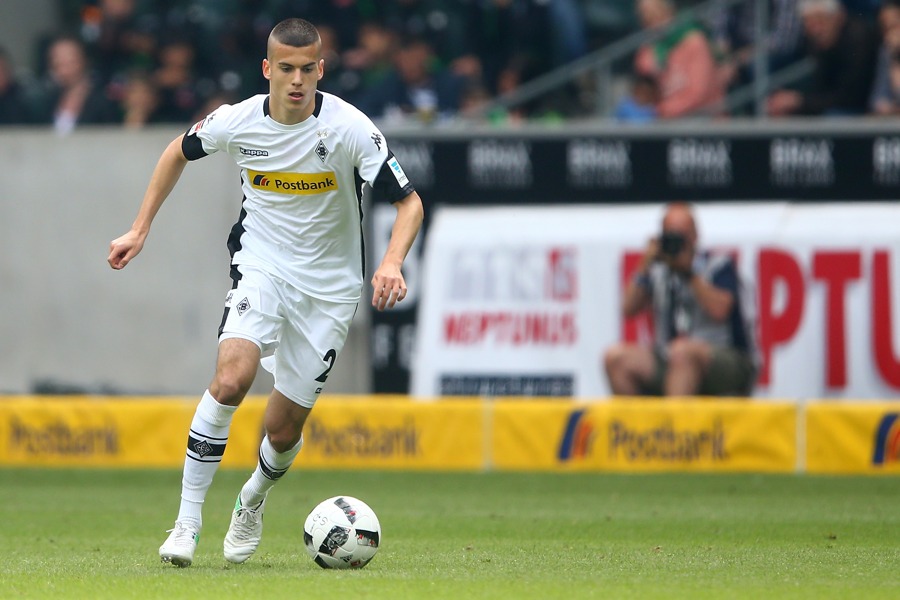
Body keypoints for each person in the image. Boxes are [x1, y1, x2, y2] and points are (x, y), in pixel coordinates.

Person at [107, 17, 424, 568]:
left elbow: (410, 202)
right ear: (267, 69)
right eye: (285, 69)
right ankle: (185, 524)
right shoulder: (237, 122)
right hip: (261, 266)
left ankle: (251, 499)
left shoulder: (350, 129)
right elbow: (177, 151)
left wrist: (392, 261)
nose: (296, 81)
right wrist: (140, 228)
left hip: (329, 290)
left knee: (282, 429)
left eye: (307, 70)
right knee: (231, 378)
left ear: (321, 69)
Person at [603, 203, 758, 398]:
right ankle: (640, 428)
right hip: (670, 356)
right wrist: (645, 263)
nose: (675, 243)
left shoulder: (718, 265)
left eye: (681, 236)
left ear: (694, 236)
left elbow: (720, 309)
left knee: (682, 353)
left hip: (723, 358)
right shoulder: (659, 271)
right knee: (616, 358)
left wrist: (688, 273)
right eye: (670, 236)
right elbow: (628, 308)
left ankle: (673, 428)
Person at [767, 0, 879, 117]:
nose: (816, 29)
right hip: (830, 106)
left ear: (838, 17)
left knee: (833, 117)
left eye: (821, 21)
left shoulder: (859, 41)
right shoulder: (815, 43)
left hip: (859, 110)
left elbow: (851, 97)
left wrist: (799, 101)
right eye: (809, 23)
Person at [631, 0, 725, 118]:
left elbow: (699, 94)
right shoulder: (649, 49)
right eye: (645, 17)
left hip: (704, 121)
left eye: (655, 14)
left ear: (669, 11)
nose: (652, 23)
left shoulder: (694, 41)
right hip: (668, 123)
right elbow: (643, 89)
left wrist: (660, 111)